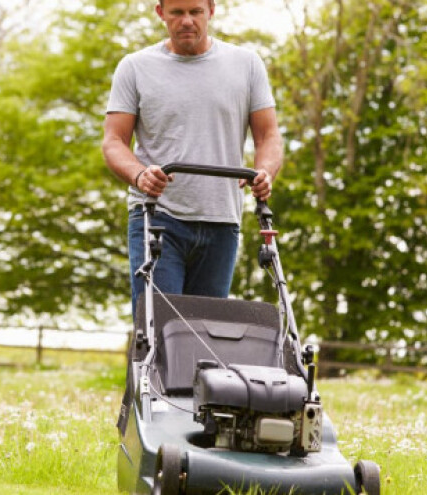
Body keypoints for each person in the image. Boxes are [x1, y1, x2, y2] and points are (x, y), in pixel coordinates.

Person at [102, 0, 283, 434]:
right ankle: (142, 432)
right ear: (160, 12)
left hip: (222, 222)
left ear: (212, 10)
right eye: (177, 11)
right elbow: (113, 142)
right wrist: (139, 173)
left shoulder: (246, 65)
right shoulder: (135, 67)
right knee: (157, 334)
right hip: (157, 218)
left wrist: (264, 172)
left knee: (208, 340)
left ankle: (198, 433)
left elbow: (269, 136)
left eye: (196, 11)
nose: (187, 20)